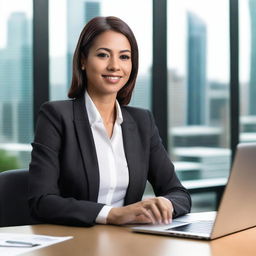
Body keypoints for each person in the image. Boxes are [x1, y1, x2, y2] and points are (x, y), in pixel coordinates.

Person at [28, 16, 191, 227]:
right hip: (75, 241)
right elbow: (41, 201)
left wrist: (166, 203)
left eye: (124, 57)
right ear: (83, 61)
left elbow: (178, 193)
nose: (115, 66)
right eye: (103, 55)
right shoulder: (56, 116)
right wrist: (112, 214)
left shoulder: (142, 121)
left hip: (127, 241)